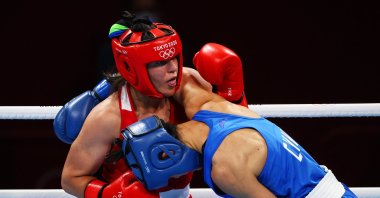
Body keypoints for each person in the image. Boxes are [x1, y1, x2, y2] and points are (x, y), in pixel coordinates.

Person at [57, 10, 247, 198]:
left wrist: (234, 95)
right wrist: (111, 194)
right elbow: (71, 178)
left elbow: (236, 138)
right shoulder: (108, 117)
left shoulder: (188, 85)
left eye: (174, 57)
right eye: (160, 62)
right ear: (133, 69)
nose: (173, 69)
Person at [128, 67, 358, 197]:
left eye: (172, 175)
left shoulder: (225, 169)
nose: (180, 178)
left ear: (167, 155)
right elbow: (177, 75)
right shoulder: (210, 107)